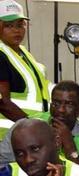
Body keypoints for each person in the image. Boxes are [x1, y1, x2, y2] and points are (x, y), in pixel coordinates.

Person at [0, 80, 79, 172]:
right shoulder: (25, 127)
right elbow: (2, 165)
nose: (61, 110)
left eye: (69, 104)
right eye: (56, 103)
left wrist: (70, 146)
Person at [0, 0, 48, 140]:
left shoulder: (23, 53)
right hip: (8, 136)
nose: (17, 30)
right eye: (9, 26)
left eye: (20, 25)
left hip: (24, 133)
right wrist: (32, 126)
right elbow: (3, 102)